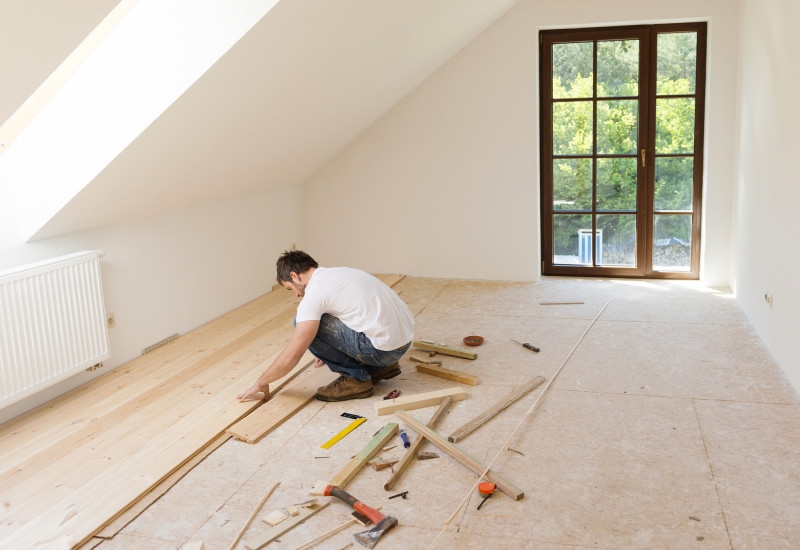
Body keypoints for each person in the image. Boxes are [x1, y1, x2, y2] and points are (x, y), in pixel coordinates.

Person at [236, 250, 415, 402]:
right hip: (403, 342)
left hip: (383, 352)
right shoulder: (341, 273)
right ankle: (382, 368)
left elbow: (292, 355)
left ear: (294, 276)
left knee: (301, 321)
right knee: (317, 319)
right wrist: (331, 348)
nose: (297, 295)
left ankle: (356, 379)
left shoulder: (315, 293)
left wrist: (262, 381)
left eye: (291, 288)